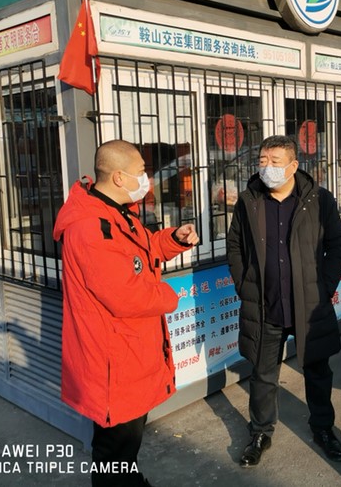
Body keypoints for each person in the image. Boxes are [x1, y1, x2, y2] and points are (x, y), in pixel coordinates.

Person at [53, 139, 199, 487]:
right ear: (119, 177)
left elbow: (142, 251)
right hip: (112, 360)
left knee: (127, 445)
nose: (147, 179)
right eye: (141, 172)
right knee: (115, 449)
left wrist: (173, 240)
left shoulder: (117, 212)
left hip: (130, 352)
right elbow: (125, 295)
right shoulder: (90, 227)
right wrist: (171, 295)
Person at [227, 135, 341, 467]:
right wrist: (244, 284)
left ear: (293, 165)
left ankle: (323, 428)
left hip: (309, 306)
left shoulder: (319, 200)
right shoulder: (249, 201)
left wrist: (324, 288)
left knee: (317, 370)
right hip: (265, 304)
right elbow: (235, 246)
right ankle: (260, 432)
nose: (267, 167)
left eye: (275, 162)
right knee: (263, 373)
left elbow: (338, 245)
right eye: (262, 161)